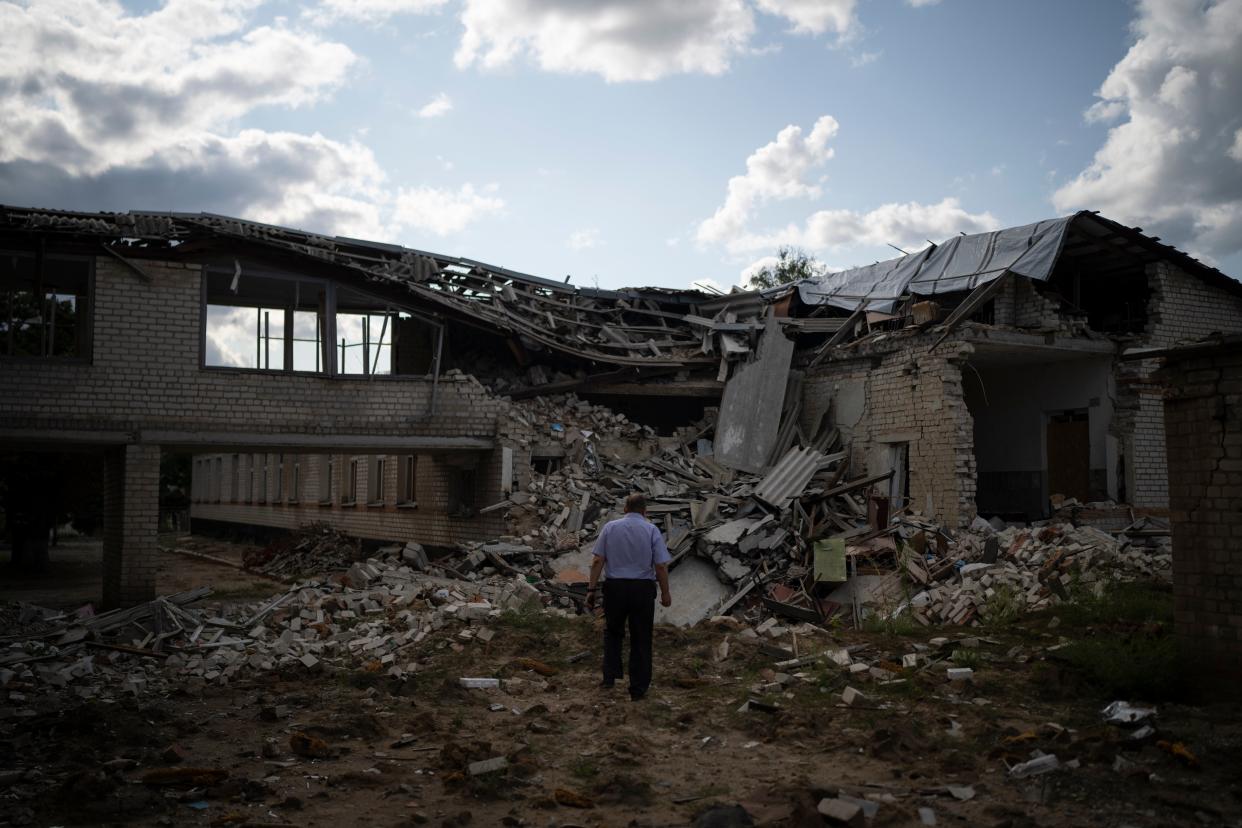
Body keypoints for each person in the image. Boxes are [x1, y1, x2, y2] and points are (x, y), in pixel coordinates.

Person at [586, 493, 672, 701]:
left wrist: (590, 590)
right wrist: (666, 592)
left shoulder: (610, 528)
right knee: (641, 637)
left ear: (625, 509)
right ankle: (638, 688)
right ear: (645, 511)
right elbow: (660, 565)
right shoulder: (652, 530)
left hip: (615, 588)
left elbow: (598, 560)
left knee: (613, 633)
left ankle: (609, 678)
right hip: (642, 590)